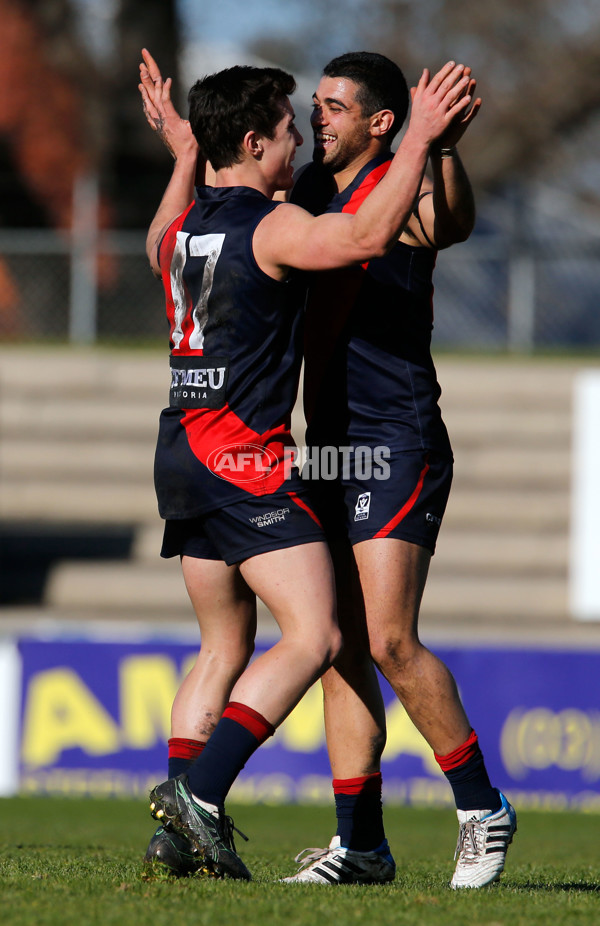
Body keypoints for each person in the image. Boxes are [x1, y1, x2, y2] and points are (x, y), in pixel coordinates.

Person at [138, 50, 473, 881]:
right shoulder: (274, 223)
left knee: (222, 644)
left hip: (180, 452)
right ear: (255, 142)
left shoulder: (183, 228)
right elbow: (363, 234)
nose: (305, 132)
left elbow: (152, 246)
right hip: (246, 458)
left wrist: (186, 151)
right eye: (292, 122)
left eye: (324, 110)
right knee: (321, 635)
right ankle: (200, 797)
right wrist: (423, 137)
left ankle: (181, 835)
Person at [278, 51, 517, 891]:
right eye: (317, 103)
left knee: (387, 638)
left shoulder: (406, 179)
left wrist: (440, 145)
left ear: (382, 122)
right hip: (329, 442)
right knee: (339, 647)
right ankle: (362, 845)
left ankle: (482, 808)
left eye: (337, 106)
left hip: (395, 438)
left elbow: (447, 222)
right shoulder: (307, 191)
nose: (321, 116)